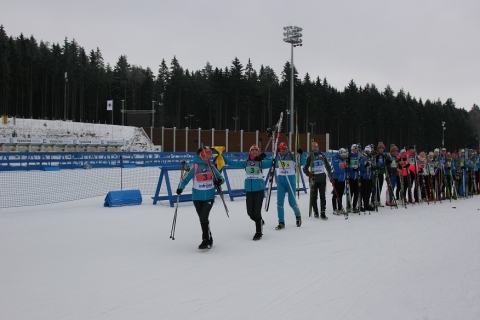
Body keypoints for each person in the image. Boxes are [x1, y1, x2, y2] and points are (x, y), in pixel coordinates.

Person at [176, 147, 225, 249]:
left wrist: (219, 181)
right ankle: (209, 237)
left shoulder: (211, 166)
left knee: (203, 217)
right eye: (206, 153)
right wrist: (180, 188)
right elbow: (185, 179)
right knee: (203, 219)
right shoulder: (194, 167)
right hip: (197, 197)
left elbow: (220, 178)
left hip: (209, 197)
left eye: (209, 154)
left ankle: (205, 240)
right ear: (201, 155)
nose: (208, 156)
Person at [223, 144, 270, 240]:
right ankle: (259, 221)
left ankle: (258, 232)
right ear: (250, 152)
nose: (254, 152)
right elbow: (231, 163)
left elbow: (274, 162)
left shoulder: (261, 162)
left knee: (257, 212)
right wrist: (221, 154)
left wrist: (269, 155)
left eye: (256, 150)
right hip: (249, 190)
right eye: (252, 150)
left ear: (258, 152)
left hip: (259, 190)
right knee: (250, 213)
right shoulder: (246, 162)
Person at [274, 141, 306, 230]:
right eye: (281, 150)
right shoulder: (278, 156)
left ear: (286, 148)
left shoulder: (292, 155)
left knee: (292, 202)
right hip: (281, 181)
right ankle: (281, 222)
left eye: (284, 149)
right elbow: (272, 163)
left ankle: (298, 215)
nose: (282, 151)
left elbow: (303, 163)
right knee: (279, 203)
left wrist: (301, 154)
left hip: (290, 181)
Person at [303, 141, 331, 220]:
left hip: (322, 179)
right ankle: (316, 212)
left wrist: (330, 175)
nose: (315, 148)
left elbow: (328, 166)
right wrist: (309, 174)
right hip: (313, 180)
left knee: (322, 196)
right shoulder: (310, 157)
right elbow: (304, 168)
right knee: (314, 197)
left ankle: (323, 212)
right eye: (313, 147)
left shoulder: (322, 155)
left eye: (316, 147)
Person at [331, 148, 347, 214]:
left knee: (340, 194)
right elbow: (337, 169)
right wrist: (345, 169)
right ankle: (335, 208)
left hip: (342, 179)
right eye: (342, 155)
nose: (343, 156)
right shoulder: (335, 159)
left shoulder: (344, 160)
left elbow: (343, 167)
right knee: (336, 193)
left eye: (344, 155)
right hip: (337, 179)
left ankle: (340, 208)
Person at [359, 145, 374, 211]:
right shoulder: (362, 157)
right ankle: (361, 204)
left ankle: (366, 204)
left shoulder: (371, 157)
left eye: (369, 151)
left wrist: (373, 167)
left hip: (369, 177)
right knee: (363, 191)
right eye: (367, 151)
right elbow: (361, 167)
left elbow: (372, 166)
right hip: (364, 177)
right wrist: (365, 166)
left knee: (369, 191)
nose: (368, 152)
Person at [347, 144, 360, 213]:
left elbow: (360, 164)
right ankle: (349, 206)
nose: (355, 151)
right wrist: (352, 169)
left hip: (357, 177)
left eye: (356, 149)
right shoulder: (349, 156)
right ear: (352, 149)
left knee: (356, 192)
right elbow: (347, 166)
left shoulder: (358, 156)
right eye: (354, 149)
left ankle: (354, 206)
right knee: (351, 192)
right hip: (351, 176)